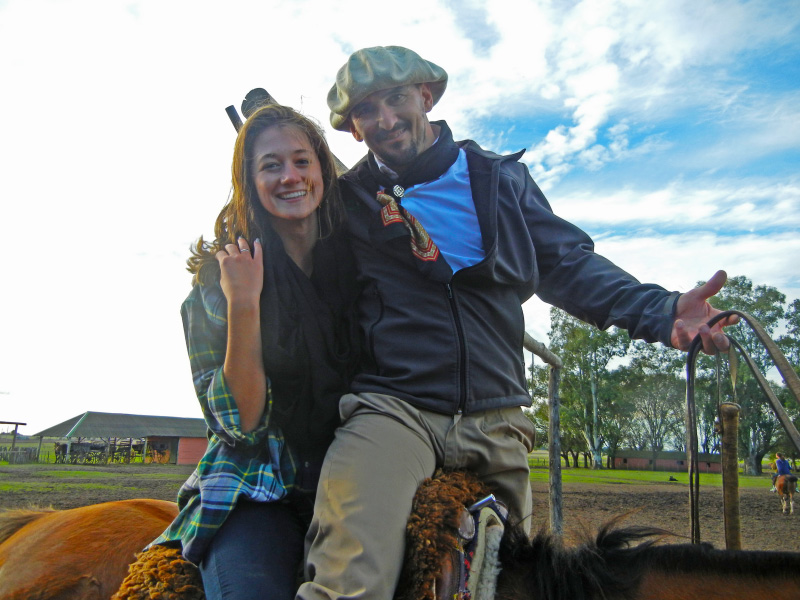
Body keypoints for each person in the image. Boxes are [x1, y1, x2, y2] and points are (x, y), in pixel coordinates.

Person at [295, 46, 735, 600]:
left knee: (512, 586)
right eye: (365, 110)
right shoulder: (346, 202)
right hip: (394, 410)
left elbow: (566, 265)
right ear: (353, 129)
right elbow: (302, 278)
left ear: (425, 97)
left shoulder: (499, 180)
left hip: (496, 415)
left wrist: (662, 310)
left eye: (395, 99)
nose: (384, 119)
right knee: (351, 576)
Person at [150, 103, 360, 600]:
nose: (290, 177)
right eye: (271, 166)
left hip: (352, 480)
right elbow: (239, 423)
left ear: (322, 171)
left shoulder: (358, 265)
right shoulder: (217, 280)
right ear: (249, 180)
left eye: (302, 161)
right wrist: (244, 300)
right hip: (257, 490)